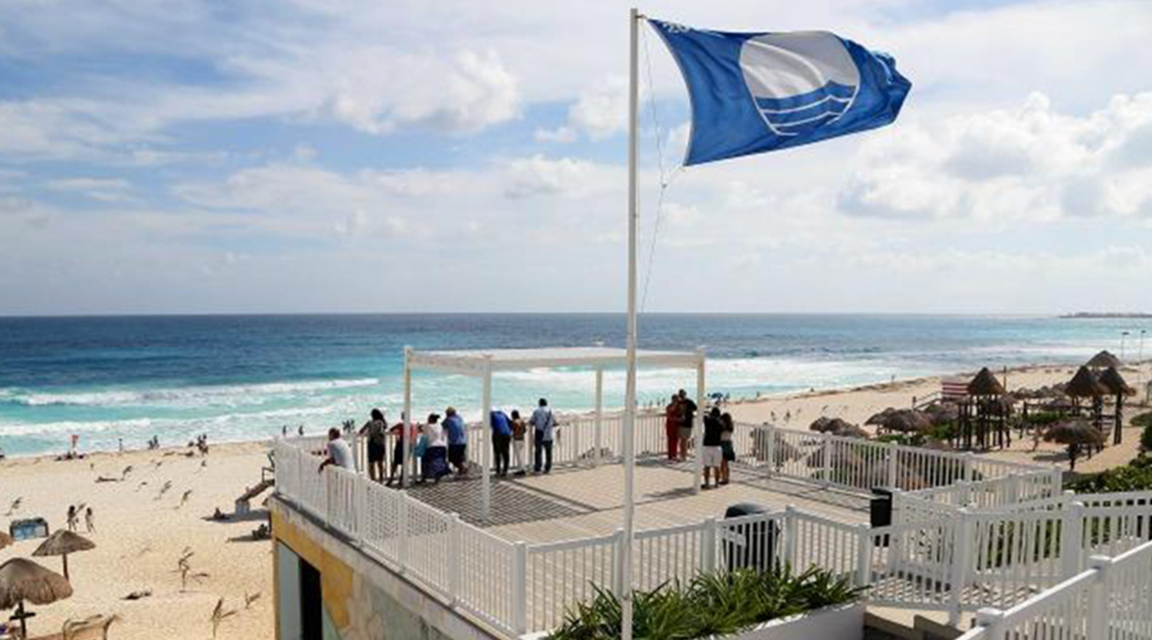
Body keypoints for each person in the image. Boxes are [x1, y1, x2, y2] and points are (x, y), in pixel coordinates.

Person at [387, 412, 417, 486]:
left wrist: (397, 432)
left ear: (403, 417)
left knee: (396, 463)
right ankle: (401, 479)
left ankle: (391, 479)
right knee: (405, 463)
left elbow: (391, 429)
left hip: (400, 444)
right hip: (409, 444)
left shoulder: (401, 425)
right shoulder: (413, 425)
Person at [360, 408, 388, 483]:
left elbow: (361, 431)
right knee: (380, 464)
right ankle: (381, 480)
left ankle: (373, 481)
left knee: (371, 464)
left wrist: (369, 433)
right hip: (380, 444)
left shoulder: (370, 422)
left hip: (372, 444)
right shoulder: (381, 422)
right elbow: (383, 430)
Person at [420, 413, 449, 484]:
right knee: (439, 462)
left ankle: (424, 478)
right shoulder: (439, 425)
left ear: (431, 419)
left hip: (432, 446)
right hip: (442, 446)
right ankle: (437, 479)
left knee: (425, 461)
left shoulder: (428, 426)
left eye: (428, 418)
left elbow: (421, 429)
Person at [530, 398, 556, 474]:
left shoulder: (536, 411)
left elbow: (532, 421)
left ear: (539, 403)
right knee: (549, 452)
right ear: (546, 404)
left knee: (538, 452)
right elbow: (554, 422)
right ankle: (547, 469)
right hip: (549, 435)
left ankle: (537, 469)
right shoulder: (551, 412)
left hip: (539, 435)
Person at [701, 407, 724, 489]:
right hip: (717, 446)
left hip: (707, 446)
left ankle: (707, 483)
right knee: (717, 466)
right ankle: (716, 484)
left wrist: (707, 412)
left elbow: (703, 416)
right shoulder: (721, 424)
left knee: (706, 466)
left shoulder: (708, 421)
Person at [443, 407, 469, 476]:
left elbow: (442, 426)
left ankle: (463, 468)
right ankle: (461, 470)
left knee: (452, 458)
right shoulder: (459, 418)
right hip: (463, 441)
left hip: (454, 442)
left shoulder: (448, 419)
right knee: (460, 458)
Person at [490, 407, 512, 477]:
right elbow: (510, 422)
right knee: (506, 452)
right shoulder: (503, 414)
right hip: (507, 434)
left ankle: (498, 471)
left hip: (498, 434)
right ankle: (505, 470)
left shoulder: (491, 415)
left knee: (497, 453)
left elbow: (489, 424)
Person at [677, 389, 697, 462]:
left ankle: (683, 456)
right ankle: (682, 455)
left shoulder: (689, 402)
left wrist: (687, 413)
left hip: (687, 423)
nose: (681, 396)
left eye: (682, 394)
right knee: (682, 441)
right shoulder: (679, 402)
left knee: (684, 441)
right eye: (681, 394)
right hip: (681, 423)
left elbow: (695, 408)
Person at [719, 412, 736, 486]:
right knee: (726, 463)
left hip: (723, 444)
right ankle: (727, 478)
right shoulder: (730, 426)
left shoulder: (723, 427)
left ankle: (724, 478)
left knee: (723, 463)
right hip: (728, 444)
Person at [510, 409, 527, 476]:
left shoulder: (514, 422)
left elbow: (512, 430)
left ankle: (520, 470)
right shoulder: (522, 421)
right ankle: (522, 468)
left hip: (516, 440)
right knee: (522, 455)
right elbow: (525, 430)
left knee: (518, 456)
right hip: (522, 439)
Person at [664, 394, 681, 461]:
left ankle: (674, 455)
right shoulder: (669, 406)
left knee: (676, 440)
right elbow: (669, 416)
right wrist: (677, 419)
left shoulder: (678, 407)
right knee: (671, 440)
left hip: (676, 425)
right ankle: (670, 455)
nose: (676, 401)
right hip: (670, 425)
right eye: (676, 399)